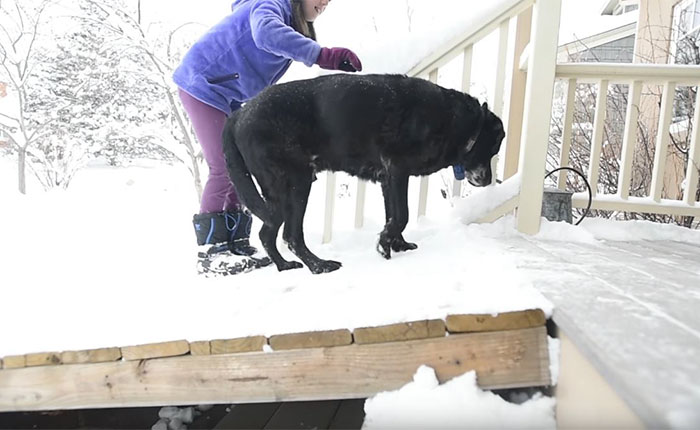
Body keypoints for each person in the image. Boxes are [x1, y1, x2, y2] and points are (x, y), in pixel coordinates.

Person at [172, 0, 362, 274]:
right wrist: (323, 55)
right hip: (202, 87)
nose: (324, 3)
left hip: (228, 95)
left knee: (240, 164)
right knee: (223, 166)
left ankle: (235, 242)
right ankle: (211, 252)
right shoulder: (269, 6)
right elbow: (266, 34)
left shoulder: (288, 18)